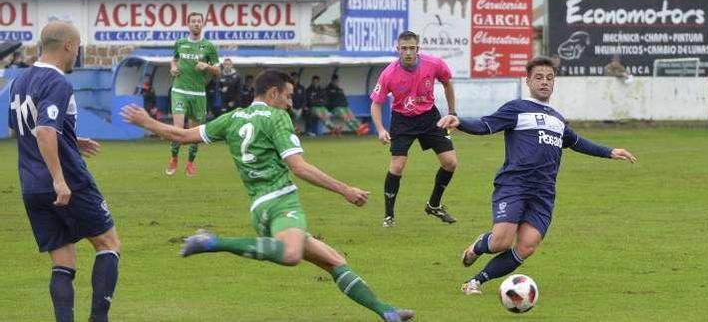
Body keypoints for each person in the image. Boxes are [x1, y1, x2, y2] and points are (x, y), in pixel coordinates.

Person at [120, 70, 414, 322]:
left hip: (259, 208)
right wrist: (345, 190)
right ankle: (211, 241)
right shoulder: (276, 117)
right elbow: (298, 167)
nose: (290, 102)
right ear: (273, 93)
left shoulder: (233, 118)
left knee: (334, 261)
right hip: (282, 202)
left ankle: (385, 311)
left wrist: (147, 122)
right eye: (287, 96)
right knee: (290, 255)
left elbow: (183, 136)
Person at [436, 56, 637, 295]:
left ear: (554, 83)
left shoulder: (558, 120)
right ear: (528, 81)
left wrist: (610, 151)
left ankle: (475, 282)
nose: (544, 82)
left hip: (543, 192)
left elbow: (577, 142)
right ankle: (479, 246)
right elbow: (485, 124)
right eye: (539, 77)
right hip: (514, 184)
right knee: (500, 242)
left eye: (549, 78)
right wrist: (459, 122)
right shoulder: (517, 109)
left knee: (527, 246)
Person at [8, 21, 120, 322]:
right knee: (108, 244)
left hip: (31, 185)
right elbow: (44, 130)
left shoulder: (19, 81)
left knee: (63, 260)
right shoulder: (57, 82)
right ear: (69, 45)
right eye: (79, 46)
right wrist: (59, 178)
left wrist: (69, 138)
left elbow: (18, 127)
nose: (78, 53)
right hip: (67, 182)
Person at [370, 30, 459, 228]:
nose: (408, 52)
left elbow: (447, 83)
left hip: (430, 117)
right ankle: (389, 216)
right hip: (402, 120)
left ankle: (434, 205)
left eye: (412, 48)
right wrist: (380, 129)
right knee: (397, 166)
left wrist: (452, 112)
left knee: (450, 163)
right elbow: (376, 103)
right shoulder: (389, 74)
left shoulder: (434, 64)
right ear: (398, 50)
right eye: (404, 49)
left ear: (418, 49)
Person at [166, 12, 220, 177]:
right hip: (179, 90)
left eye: (199, 21)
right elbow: (174, 59)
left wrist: (207, 67)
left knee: (194, 131)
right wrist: (173, 67)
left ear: (202, 25)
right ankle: (174, 157)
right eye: (193, 21)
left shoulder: (208, 46)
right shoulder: (180, 43)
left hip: (198, 93)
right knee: (178, 128)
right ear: (188, 24)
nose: (196, 24)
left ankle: (190, 162)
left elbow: (218, 70)